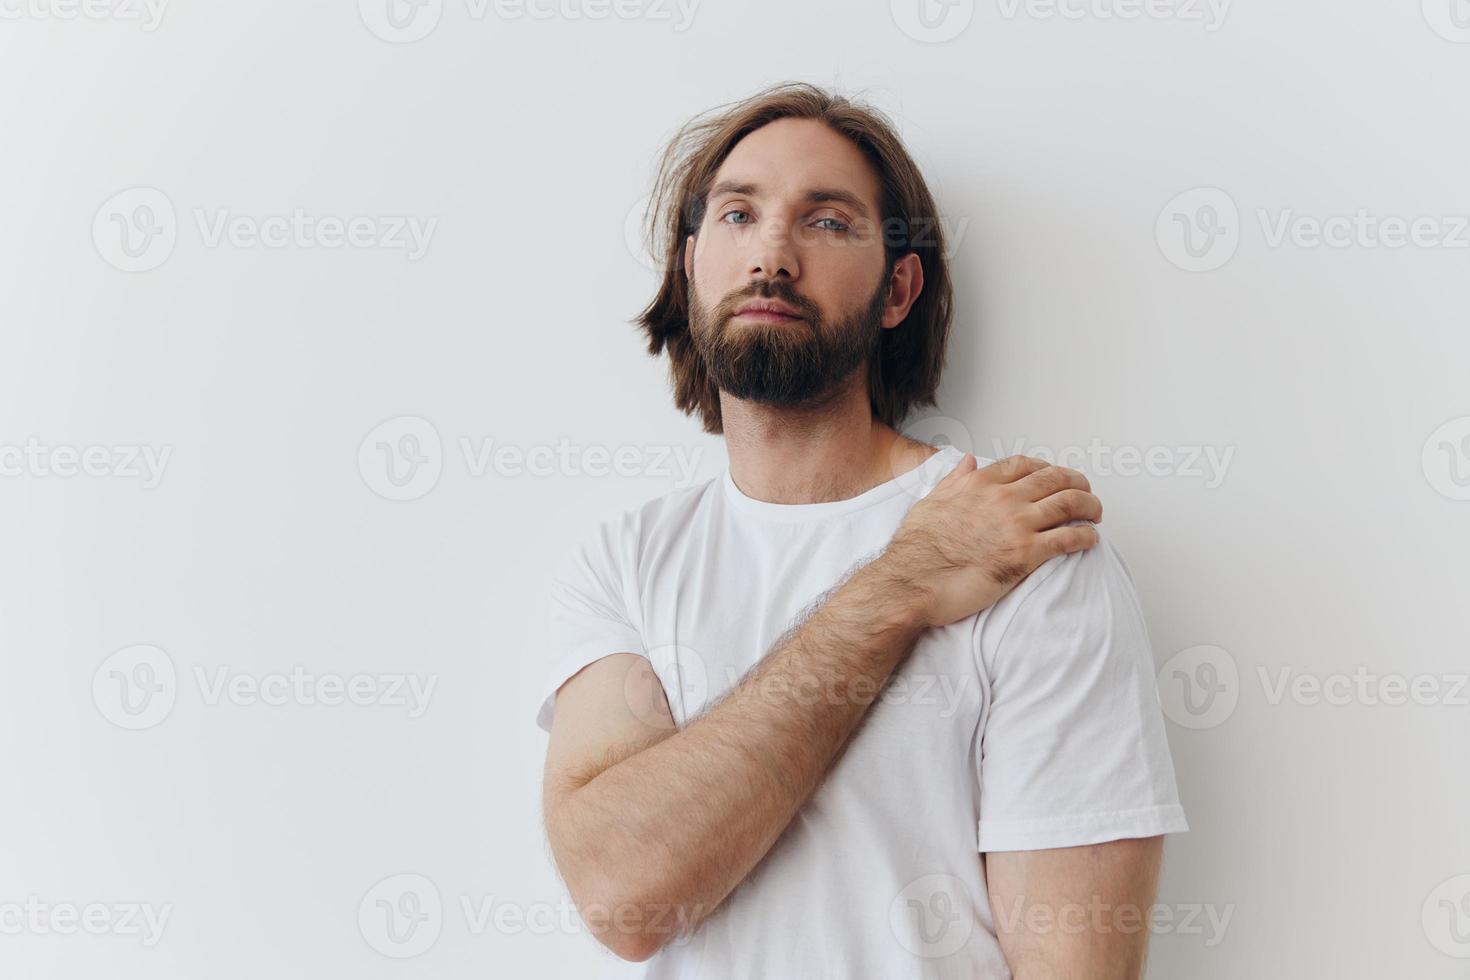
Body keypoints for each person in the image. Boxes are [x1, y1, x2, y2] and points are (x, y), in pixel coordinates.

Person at [535, 81, 1187, 979]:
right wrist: (900, 587)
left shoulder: (1028, 552)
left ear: (897, 289)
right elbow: (625, 897)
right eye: (736, 214)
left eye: (828, 222)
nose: (771, 253)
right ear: (690, 271)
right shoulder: (625, 563)